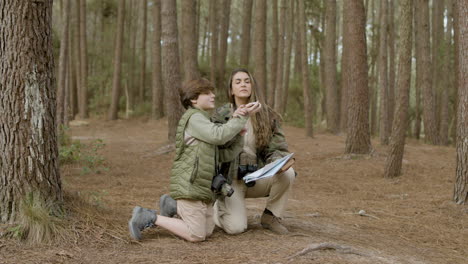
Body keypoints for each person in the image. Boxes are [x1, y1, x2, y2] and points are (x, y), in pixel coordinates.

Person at [128, 78, 260, 242]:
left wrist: (239, 137)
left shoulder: (204, 120)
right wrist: (240, 118)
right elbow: (218, 135)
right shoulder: (194, 118)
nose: (213, 95)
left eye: (212, 92)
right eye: (207, 93)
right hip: (191, 184)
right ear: (193, 99)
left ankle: (172, 206)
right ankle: (148, 216)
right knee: (196, 235)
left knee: (207, 231)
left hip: (202, 187)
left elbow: (222, 155)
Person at [212, 68, 296, 235]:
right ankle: (213, 207)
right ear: (231, 90)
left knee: (288, 173)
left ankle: (270, 216)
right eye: (238, 82)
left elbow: (277, 148)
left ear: (252, 86)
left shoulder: (267, 115)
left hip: (256, 178)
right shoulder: (221, 115)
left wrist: (276, 163)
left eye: (247, 81)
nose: (243, 84)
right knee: (236, 228)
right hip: (230, 182)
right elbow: (212, 146)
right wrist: (234, 121)